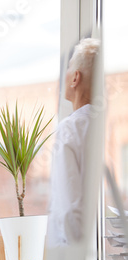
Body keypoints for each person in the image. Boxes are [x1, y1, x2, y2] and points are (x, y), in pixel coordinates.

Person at [47, 38, 100, 247]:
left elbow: (70, 208)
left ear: (75, 77)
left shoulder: (70, 128)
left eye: (68, 68)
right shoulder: (98, 124)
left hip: (71, 256)